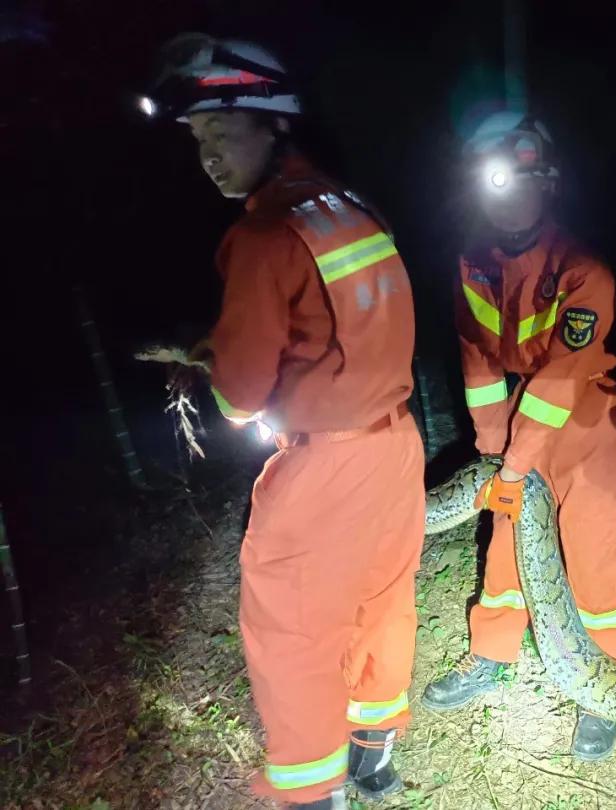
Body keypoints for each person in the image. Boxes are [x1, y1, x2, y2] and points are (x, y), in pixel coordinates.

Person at [144, 34, 426, 808]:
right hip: (397, 446)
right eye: (198, 140)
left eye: (219, 132)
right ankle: (374, 755)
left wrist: (219, 368)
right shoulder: (352, 206)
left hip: (325, 461)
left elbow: (239, 396)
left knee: (292, 629)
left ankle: (312, 792)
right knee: (381, 600)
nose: (207, 155)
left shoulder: (263, 235)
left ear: (273, 124)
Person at [420, 111, 616, 762]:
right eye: (494, 185)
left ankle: (603, 687)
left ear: (549, 183)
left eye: (522, 182)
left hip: (587, 413)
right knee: (506, 538)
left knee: (593, 540)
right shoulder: (473, 265)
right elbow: (479, 361)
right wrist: (493, 449)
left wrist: (514, 464)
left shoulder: (583, 268)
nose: (507, 198)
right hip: (520, 411)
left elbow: (562, 379)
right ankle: (491, 653)